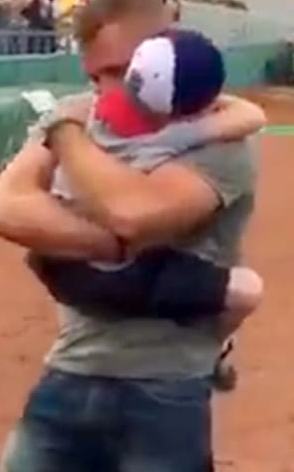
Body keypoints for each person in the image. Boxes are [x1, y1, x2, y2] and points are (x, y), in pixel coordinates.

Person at [0, 0, 259, 472]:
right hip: (66, 384)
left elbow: (137, 211)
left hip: (164, 392)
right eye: (98, 74)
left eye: (123, 71)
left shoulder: (218, 142)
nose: (111, 89)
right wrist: (113, 250)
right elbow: (6, 210)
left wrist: (66, 139)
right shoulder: (92, 117)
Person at [28, 29, 267, 390]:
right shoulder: (185, 137)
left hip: (63, 266)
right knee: (245, 288)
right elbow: (250, 115)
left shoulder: (89, 112)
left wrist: (60, 128)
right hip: (129, 268)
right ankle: (210, 350)